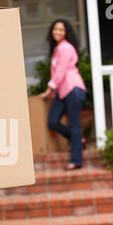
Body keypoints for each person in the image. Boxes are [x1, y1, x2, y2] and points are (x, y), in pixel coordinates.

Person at [39, 19, 86, 170]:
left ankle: (76, 161)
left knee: (74, 125)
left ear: (66, 32)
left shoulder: (66, 48)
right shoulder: (58, 48)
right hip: (62, 91)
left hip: (73, 89)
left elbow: (60, 72)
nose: (57, 32)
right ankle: (79, 139)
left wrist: (49, 89)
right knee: (52, 121)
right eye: (55, 29)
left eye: (61, 30)